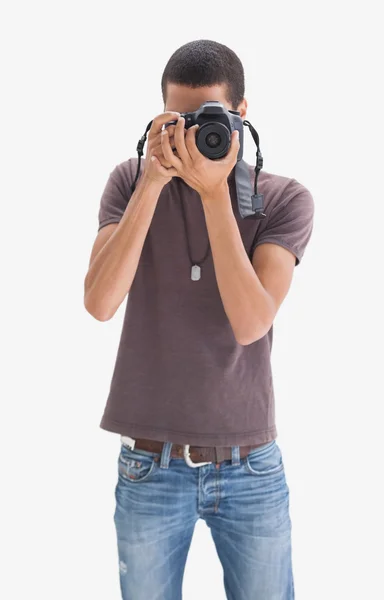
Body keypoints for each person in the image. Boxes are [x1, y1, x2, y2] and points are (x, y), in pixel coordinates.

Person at [84, 39, 314, 600]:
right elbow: (100, 302)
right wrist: (154, 182)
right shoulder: (129, 182)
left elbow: (251, 322)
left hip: (251, 468)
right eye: (179, 120)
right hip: (148, 465)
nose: (192, 136)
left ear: (240, 115)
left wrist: (217, 196)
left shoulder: (282, 198)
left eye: (207, 119)